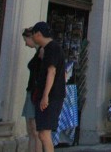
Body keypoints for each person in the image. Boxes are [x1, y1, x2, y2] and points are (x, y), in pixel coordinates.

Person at [30, 22, 66, 152]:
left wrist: (45, 96)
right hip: (51, 95)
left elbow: (52, 71)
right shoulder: (50, 49)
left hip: (51, 96)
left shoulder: (52, 48)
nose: (32, 38)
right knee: (42, 134)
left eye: (33, 35)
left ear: (38, 34)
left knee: (44, 134)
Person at [21, 27, 43, 152]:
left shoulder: (42, 51)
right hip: (31, 91)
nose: (25, 44)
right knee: (30, 130)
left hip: (35, 93)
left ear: (32, 38)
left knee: (35, 130)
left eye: (26, 40)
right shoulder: (38, 52)